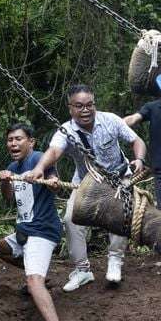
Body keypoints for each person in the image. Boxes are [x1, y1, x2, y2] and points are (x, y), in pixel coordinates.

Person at [28, 84, 147, 291]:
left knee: (121, 215)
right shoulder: (66, 130)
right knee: (70, 220)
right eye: (79, 106)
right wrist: (39, 168)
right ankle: (82, 270)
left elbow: (137, 141)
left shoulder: (110, 120)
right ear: (70, 108)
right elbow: (54, 151)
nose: (85, 110)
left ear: (94, 104)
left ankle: (115, 260)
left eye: (90, 105)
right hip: (86, 181)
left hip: (119, 177)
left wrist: (139, 160)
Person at [0, 123, 65, 321]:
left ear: (31, 142)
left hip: (42, 231)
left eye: (18, 139)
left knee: (33, 281)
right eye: (10, 140)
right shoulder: (13, 166)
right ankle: (37, 275)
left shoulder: (37, 159)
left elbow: (53, 177)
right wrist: (5, 181)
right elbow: (8, 197)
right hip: (24, 229)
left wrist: (52, 181)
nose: (13, 143)